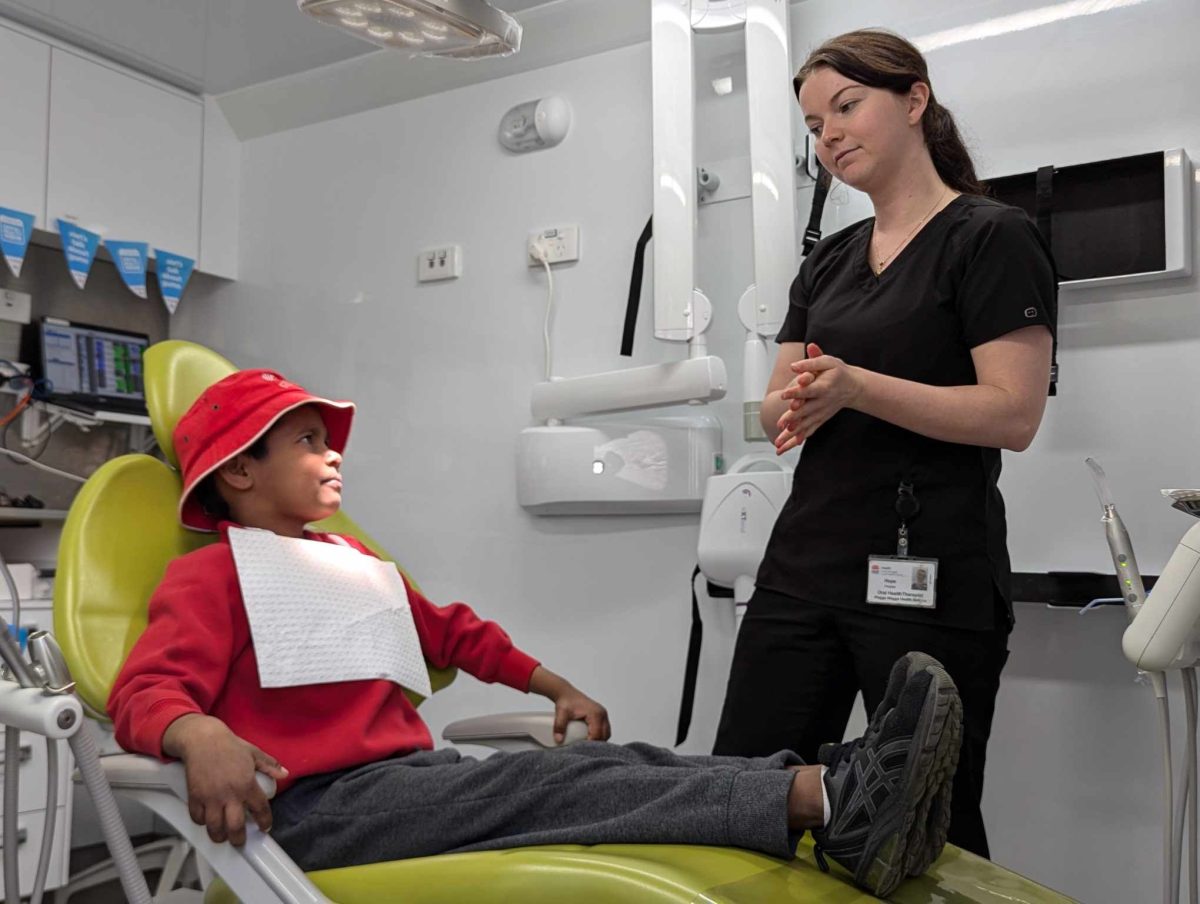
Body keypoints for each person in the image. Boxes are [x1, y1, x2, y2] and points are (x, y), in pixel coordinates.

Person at [107, 368, 963, 898]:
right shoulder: (210, 576)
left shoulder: (347, 562)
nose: (333, 455)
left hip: (404, 784)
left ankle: (835, 789)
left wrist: (550, 684)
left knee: (611, 766)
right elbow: (142, 691)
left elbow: (451, 634)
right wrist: (198, 731)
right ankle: (827, 800)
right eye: (306, 440)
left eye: (329, 441)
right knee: (547, 790)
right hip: (312, 814)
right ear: (241, 470)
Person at [713, 28, 1056, 861]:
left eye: (846, 106)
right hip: (805, 568)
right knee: (741, 795)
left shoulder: (990, 237)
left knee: (924, 825)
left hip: (931, 577)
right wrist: (802, 399)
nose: (827, 134)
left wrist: (858, 386)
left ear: (914, 100)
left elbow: (1013, 415)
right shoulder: (828, 262)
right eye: (812, 123)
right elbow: (775, 412)